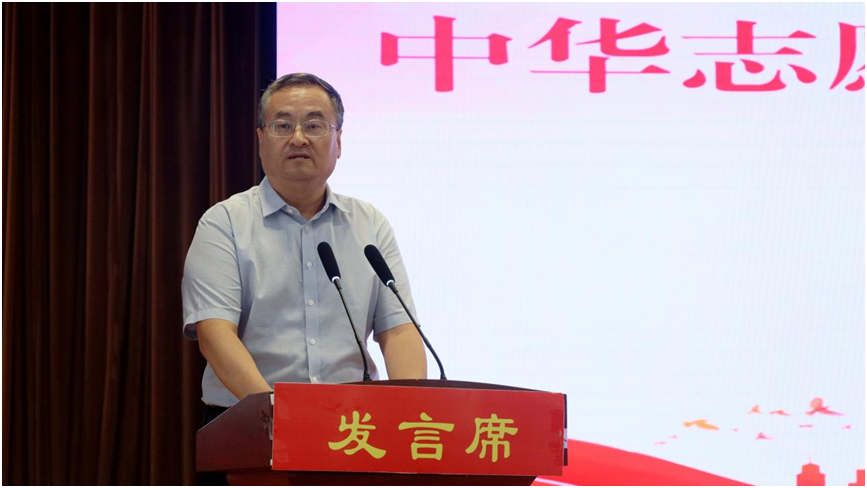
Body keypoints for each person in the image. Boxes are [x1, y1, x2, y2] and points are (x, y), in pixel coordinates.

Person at [182, 73, 427, 423]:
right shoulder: (225, 223)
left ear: (338, 141)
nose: (298, 138)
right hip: (250, 421)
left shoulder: (369, 224)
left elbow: (398, 330)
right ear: (261, 140)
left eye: (314, 126)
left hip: (353, 425)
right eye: (282, 126)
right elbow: (215, 334)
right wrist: (278, 414)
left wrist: (411, 412)